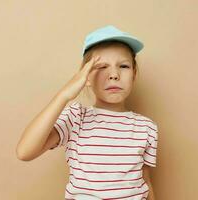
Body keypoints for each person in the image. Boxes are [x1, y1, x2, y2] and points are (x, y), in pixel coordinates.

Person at [16, 25, 159, 200]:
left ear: (134, 74)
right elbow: (25, 152)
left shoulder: (146, 127)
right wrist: (64, 95)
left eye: (123, 66)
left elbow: (146, 182)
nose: (114, 74)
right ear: (86, 77)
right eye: (101, 67)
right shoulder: (76, 117)